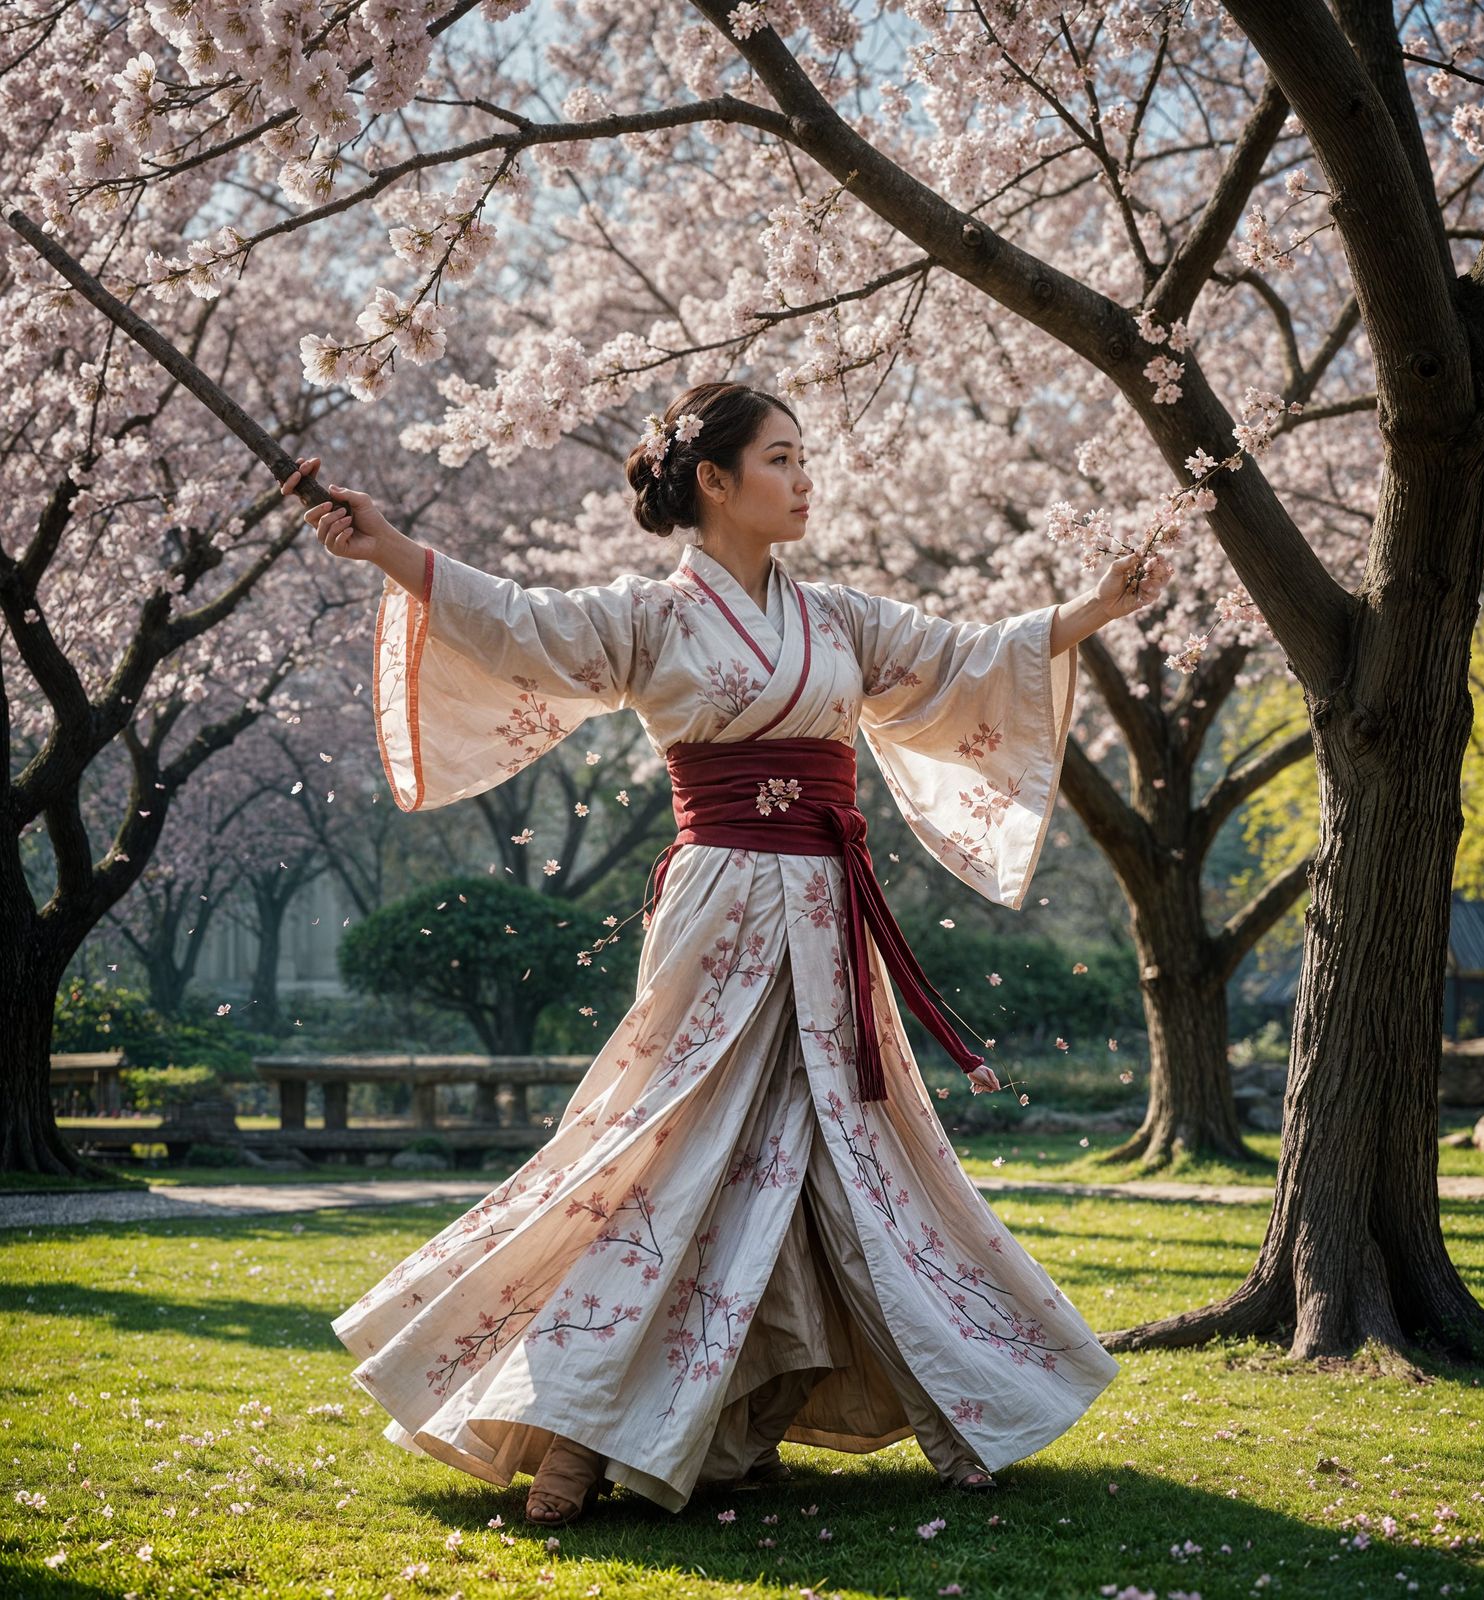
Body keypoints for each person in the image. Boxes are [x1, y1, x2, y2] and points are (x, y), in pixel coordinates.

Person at [281, 380, 1173, 1527]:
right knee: (665, 1152)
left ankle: (921, 1412)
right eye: (782, 459)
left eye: (805, 459)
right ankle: (569, 1428)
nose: (805, 480)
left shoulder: (841, 618)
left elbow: (962, 656)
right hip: (720, 910)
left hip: (826, 909)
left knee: (853, 1152)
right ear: (714, 480)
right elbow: (519, 622)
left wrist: (1091, 610)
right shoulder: (650, 620)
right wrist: (390, 547)